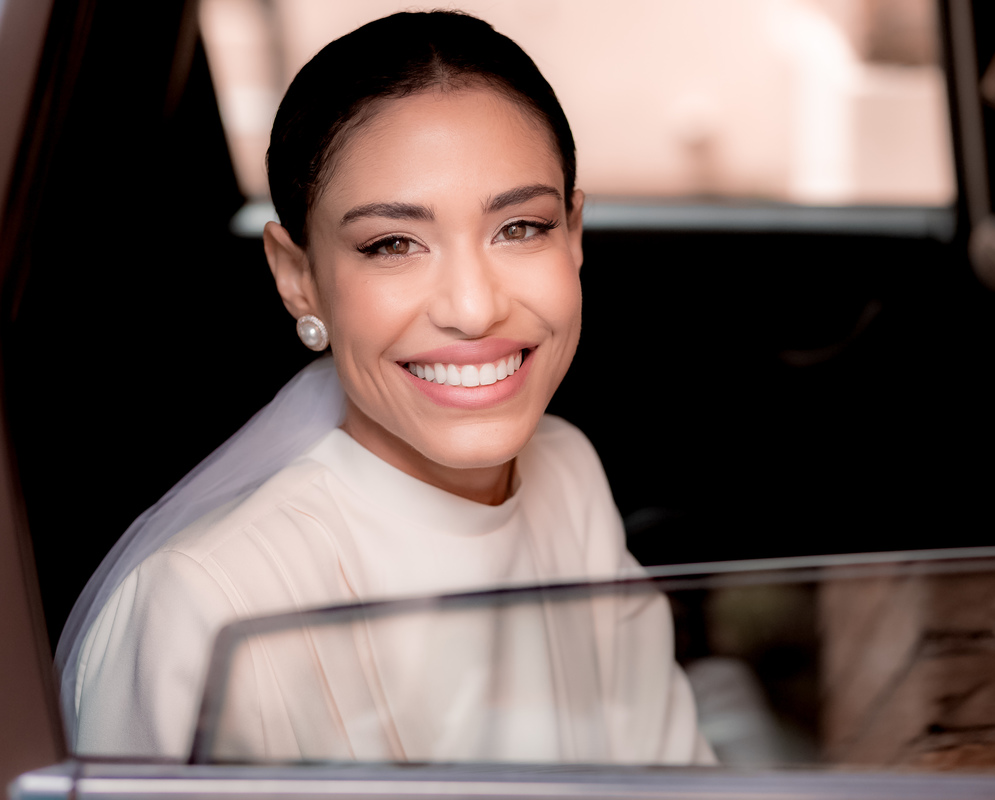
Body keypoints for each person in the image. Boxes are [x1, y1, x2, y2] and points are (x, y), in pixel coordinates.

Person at [59, 10, 713, 764]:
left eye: (521, 228)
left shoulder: (568, 475)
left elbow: (675, 777)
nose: (473, 308)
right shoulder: (205, 603)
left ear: (576, 235)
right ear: (298, 278)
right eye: (393, 244)